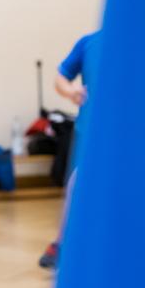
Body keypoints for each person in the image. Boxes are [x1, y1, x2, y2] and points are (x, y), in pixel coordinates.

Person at [39, 31, 100, 269]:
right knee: (76, 187)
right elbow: (61, 78)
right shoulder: (89, 44)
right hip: (90, 132)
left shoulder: (142, 41)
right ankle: (62, 245)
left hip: (131, 134)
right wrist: (71, 91)